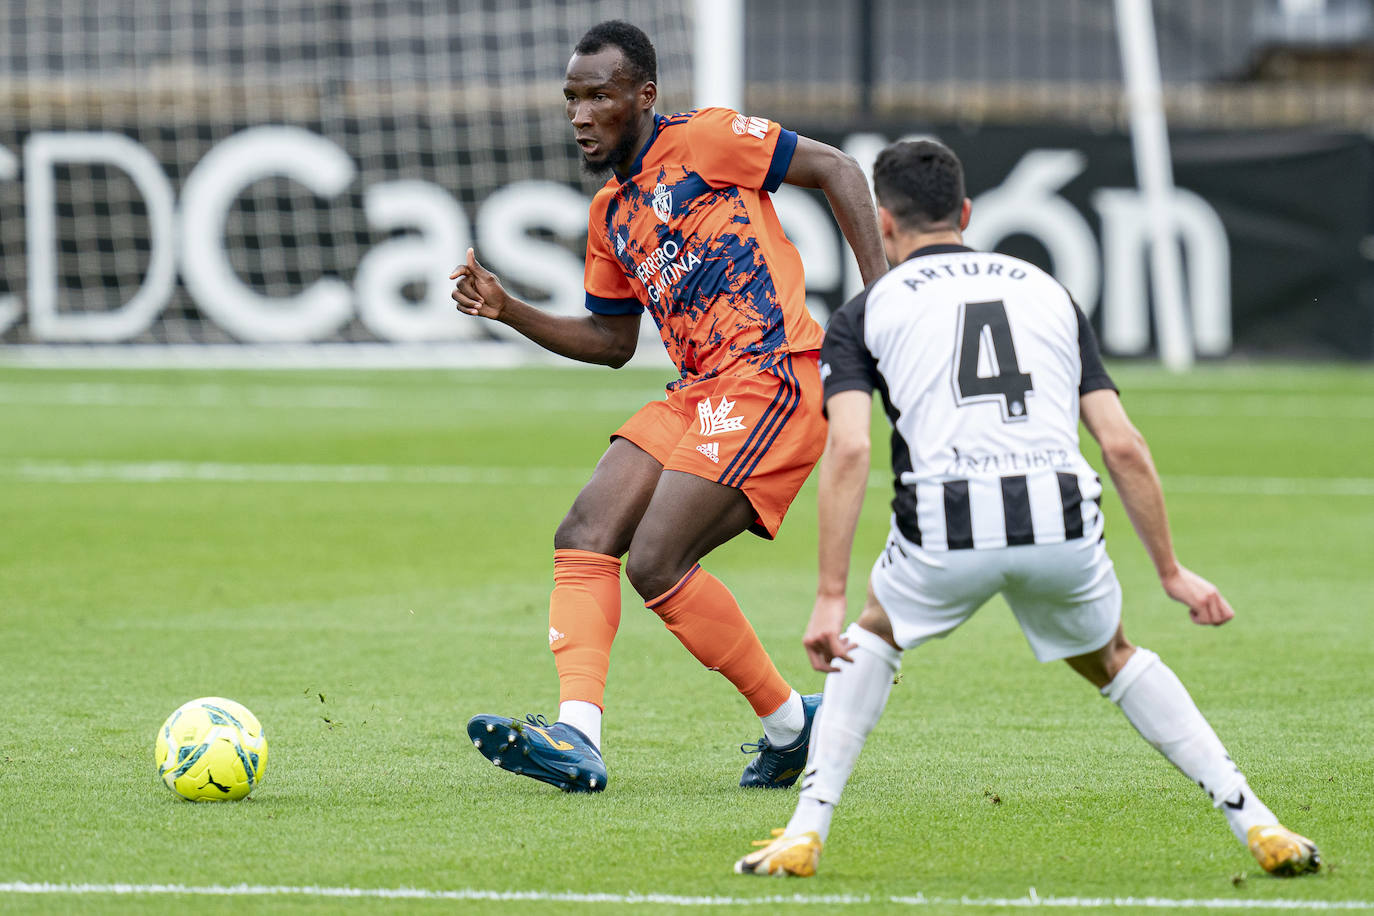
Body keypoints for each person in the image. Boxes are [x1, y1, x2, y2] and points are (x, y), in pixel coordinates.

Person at [734, 139, 1320, 877]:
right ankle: (1257, 821)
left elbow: (848, 450)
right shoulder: (1048, 292)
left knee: (869, 640)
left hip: (945, 529)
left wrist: (827, 596)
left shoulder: (867, 310)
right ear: (968, 212)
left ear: (883, 225)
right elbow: (1122, 444)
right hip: (1062, 520)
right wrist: (1172, 571)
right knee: (1113, 659)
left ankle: (805, 831)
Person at [451, 20, 887, 794]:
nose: (582, 114)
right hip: (697, 392)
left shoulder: (712, 140)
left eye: (600, 97)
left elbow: (842, 171)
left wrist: (885, 296)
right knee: (584, 532)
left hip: (770, 376)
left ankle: (790, 726)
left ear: (644, 96)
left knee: (656, 560)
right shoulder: (610, 216)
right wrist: (510, 309)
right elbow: (611, 341)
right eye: (572, 99)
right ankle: (588, 736)